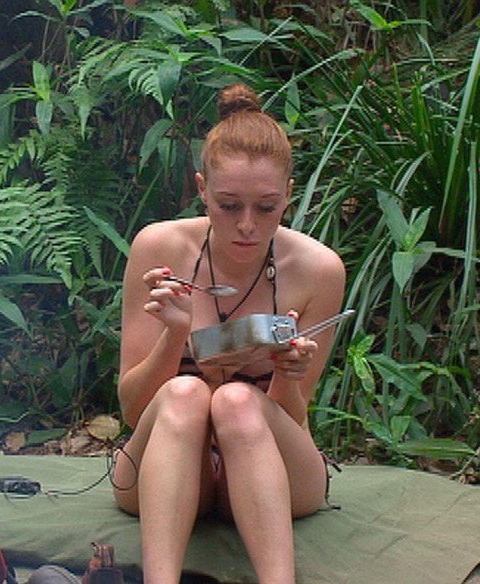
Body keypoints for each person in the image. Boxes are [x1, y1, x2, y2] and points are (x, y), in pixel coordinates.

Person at [111, 83, 346, 584]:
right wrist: (174, 334)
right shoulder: (158, 248)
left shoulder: (318, 270)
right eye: (228, 205)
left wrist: (286, 374)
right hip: (167, 465)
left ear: (288, 193)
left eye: (266, 207)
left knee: (238, 401)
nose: (246, 226)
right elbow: (132, 410)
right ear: (202, 189)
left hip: (276, 468)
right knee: (185, 392)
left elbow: (293, 416)